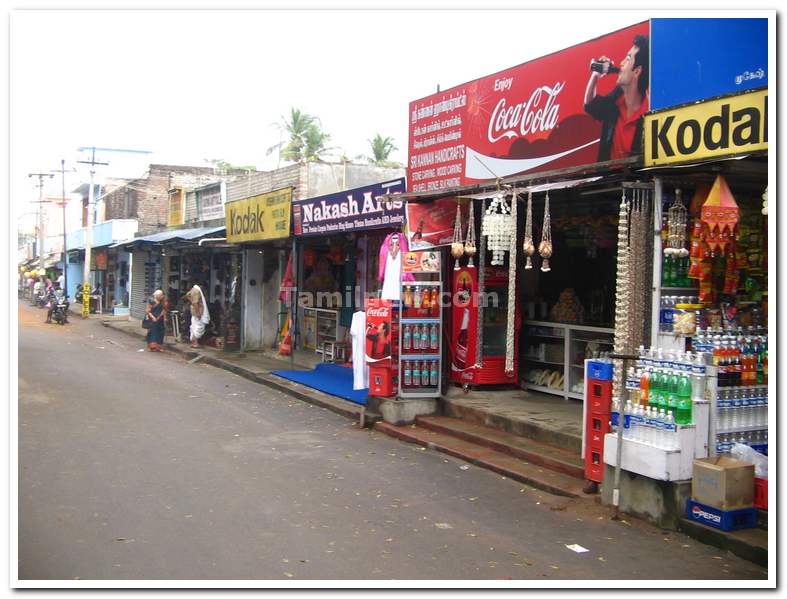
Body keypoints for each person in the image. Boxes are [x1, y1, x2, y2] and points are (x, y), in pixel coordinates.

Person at [584, 34, 649, 162]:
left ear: (637, 71)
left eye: (628, 58)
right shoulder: (615, 102)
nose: (621, 63)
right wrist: (596, 75)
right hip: (608, 178)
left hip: (637, 180)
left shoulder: (649, 114)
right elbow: (590, 105)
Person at [378, 231, 415, 300]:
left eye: (398, 244)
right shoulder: (386, 244)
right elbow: (382, 260)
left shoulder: (402, 244)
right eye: (391, 245)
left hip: (399, 269)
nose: (394, 246)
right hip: (389, 269)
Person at [182, 282, 210, 348]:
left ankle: (194, 342)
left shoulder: (193, 290)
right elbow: (195, 303)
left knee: (194, 326)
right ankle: (195, 343)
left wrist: (191, 300)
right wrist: (198, 313)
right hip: (198, 311)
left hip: (195, 310)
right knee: (198, 327)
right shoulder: (197, 291)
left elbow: (187, 295)